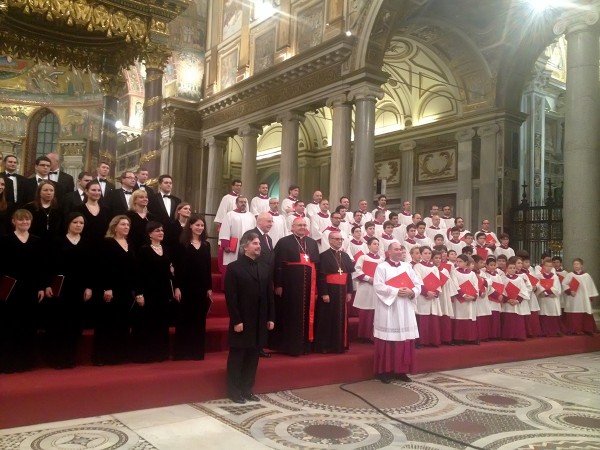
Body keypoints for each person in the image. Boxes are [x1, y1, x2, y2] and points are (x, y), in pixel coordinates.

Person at [225, 232, 275, 403]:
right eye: (255, 243)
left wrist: (271, 318)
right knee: (238, 356)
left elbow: (269, 295)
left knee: (253, 357)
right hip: (242, 320)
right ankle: (234, 390)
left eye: (259, 243)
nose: (258, 246)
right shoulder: (234, 268)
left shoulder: (265, 267)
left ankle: (247, 389)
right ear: (245, 246)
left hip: (260, 320)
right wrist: (237, 320)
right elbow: (231, 298)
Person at [44, 213, 93, 369]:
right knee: (58, 322)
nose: (79, 225)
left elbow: (91, 267)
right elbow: (48, 265)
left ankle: (70, 357)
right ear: (68, 223)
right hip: (60, 286)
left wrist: (89, 286)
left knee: (75, 323)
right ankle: (56, 358)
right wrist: (47, 284)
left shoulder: (87, 243)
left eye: (81, 223)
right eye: (75, 222)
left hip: (79, 287)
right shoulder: (57, 241)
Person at [0, 209, 46, 373]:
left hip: (31, 288)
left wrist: (41, 286)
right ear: (14, 221)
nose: (24, 223)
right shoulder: (4, 241)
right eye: (21, 220)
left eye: (27, 220)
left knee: (28, 324)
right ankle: (8, 362)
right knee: (9, 325)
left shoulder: (37, 241)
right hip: (10, 287)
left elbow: (41, 267)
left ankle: (25, 361)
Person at [373, 242, 422, 383]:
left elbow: (418, 284)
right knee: (388, 338)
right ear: (389, 252)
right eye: (396, 249)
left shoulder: (407, 267)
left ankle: (401, 370)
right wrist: (396, 291)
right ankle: (385, 371)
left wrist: (411, 291)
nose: (400, 251)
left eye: (401, 249)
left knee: (404, 339)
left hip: (405, 306)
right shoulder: (381, 267)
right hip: (389, 308)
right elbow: (378, 286)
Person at [271, 217, 320, 355]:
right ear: (292, 227)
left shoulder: (311, 243)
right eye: (299, 225)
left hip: (308, 287)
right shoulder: (284, 242)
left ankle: (305, 345)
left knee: (306, 316)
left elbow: (316, 266)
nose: (302, 227)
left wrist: (315, 288)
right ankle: (289, 346)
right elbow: (278, 265)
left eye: (304, 225)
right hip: (290, 287)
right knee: (290, 314)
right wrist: (278, 284)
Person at [94, 215, 137, 365]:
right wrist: (107, 288)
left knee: (123, 322)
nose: (126, 227)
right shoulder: (107, 243)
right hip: (111, 287)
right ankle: (103, 356)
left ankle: (119, 355)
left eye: (128, 225)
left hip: (126, 289)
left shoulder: (129, 243)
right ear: (115, 226)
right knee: (107, 321)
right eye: (123, 224)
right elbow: (103, 268)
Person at [173, 214, 213, 360]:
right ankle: (182, 352)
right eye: (197, 225)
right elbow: (178, 268)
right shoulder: (182, 244)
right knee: (184, 319)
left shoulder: (206, 245)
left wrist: (209, 288)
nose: (200, 228)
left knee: (198, 320)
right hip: (185, 287)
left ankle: (196, 352)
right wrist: (177, 287)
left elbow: (208, 268)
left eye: (202, 225)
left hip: (201, 288)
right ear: (190, 226)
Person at [133, 222, 174, 362]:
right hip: (148, 292)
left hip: (162, 293)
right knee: (147, 323)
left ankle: (160, 353)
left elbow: (168, 272)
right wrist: (139, 294)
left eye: (162, 230)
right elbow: (138, 274)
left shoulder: (166, 249)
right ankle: (146, 354)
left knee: (161, 323)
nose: (161, 233)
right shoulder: (144, 250)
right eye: (157, 231)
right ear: (150, 234)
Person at [315, 231, 355, 353]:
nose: (339, 241)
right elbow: (321, 277)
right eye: (336, 239)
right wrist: (324, 293)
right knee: (327, 318)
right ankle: (325, 345)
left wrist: (349, 292)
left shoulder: (345, 256)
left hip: (342, 291)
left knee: (341, 318)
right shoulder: (323, 256)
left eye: (341, 239)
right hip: (330, 291)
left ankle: (340, 344)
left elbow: (348, 276)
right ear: (330, 240)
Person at [353, 237, 382, 342]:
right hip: (366, 287)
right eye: (374, 244)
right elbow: (357, 271)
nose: (376, 246)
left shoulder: (382, 260)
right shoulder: (363, 257)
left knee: (375, 312)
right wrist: (368, 278)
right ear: (368, 246)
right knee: (365, 312)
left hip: (377, 289)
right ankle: (363, 336)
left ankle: (373, 335)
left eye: (378, 244)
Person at [413, 246, 443, 347]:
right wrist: (426, 292)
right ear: (421, 254)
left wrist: (435, 293)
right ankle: (421, 341)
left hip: (432, 296)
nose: (427, 255)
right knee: (422, 318)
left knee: (432, 318)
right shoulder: (417, 266)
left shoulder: (434, 268)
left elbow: (438, 281)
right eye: (425, 253)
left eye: (429, 253)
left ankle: (432, 340)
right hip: (423, 296)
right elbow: (418, 281)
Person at [562, 258, 598, 335]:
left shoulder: (586, 276)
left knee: (585, 310)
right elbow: (564, 284)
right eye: (574, 264)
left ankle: (587, 329)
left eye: (578, 264)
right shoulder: (570, 275)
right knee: (574, 311)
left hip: (584, 298)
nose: (576, 266)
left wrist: (590, 297)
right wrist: (570, 291)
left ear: (582, 265)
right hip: (573, 297)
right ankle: (574, 329)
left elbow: (590, 287)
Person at [451, 254, 479, 344]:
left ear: (466, 262)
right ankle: (459, 338)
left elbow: (476, 286)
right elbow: (455, 285)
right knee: (460, 316)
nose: (458, 263)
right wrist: (463, 295)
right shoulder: (454, 272)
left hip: (470, 299)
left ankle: (471, 338)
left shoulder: (472, 273)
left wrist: (473, 296)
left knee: (470, 316)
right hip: (460, 299)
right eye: (457, 261)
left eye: (460, 261)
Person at [75, 180, 110, 249]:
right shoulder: (78, 209)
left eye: (99, 190)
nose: (97, 193)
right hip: (83, 247)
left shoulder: (106, 210)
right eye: (93, 190)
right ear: (86, 191)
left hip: (103, 247)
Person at [501, 257, 530, 341]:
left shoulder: (520, 279)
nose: (512, 270)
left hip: (517, 302)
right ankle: (508, 336)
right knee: (509, 319)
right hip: (508, 303)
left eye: (514, 268)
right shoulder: (503, 279)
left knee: (517, 320)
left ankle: (518, 335)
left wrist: (517, 300)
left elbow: (524, 291)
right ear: (506, 269)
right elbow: (501, 291)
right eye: (510, 268)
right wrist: (508, 299)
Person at [536, 257, 563, 337]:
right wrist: (542, 292)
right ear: (543, 266)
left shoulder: (555, 277)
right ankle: (544, 331)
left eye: (550, 266)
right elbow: (538, 286)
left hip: (552, 298)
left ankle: (554, 331)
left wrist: (549, 292)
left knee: (553, 314)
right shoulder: (539, 276)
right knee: (544, 314)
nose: (548, 268)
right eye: (546, 266)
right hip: (543, 298)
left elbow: (557, 288)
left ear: (552, 267)